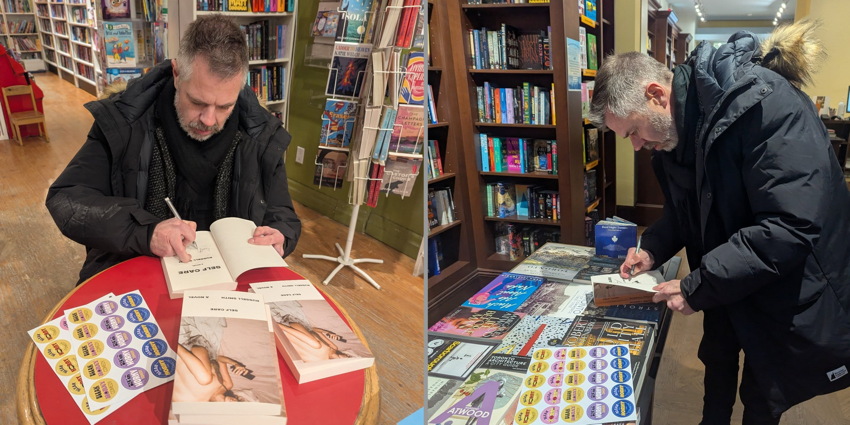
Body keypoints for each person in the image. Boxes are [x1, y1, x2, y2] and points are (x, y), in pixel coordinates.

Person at [588, 20, 850, 424]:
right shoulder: (675, 134)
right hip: (730, 272)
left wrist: (700, 284)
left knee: (764, 389)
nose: (637, 145)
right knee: (718, 359)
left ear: (657, 95)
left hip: (782, 282)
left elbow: (789, 226)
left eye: (633, 132)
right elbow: (686, 211)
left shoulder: (767, 103)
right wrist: (652, 248)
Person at [46, 15, 301, 283]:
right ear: (177, 74)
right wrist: (145, 232)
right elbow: (67, 199)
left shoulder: (261, 135)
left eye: (225, 106)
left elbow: (282, 214)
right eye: (197, 102)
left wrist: (280, 234)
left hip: (229, 279)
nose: (209, 120)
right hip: (135, 265)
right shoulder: (123, 121)